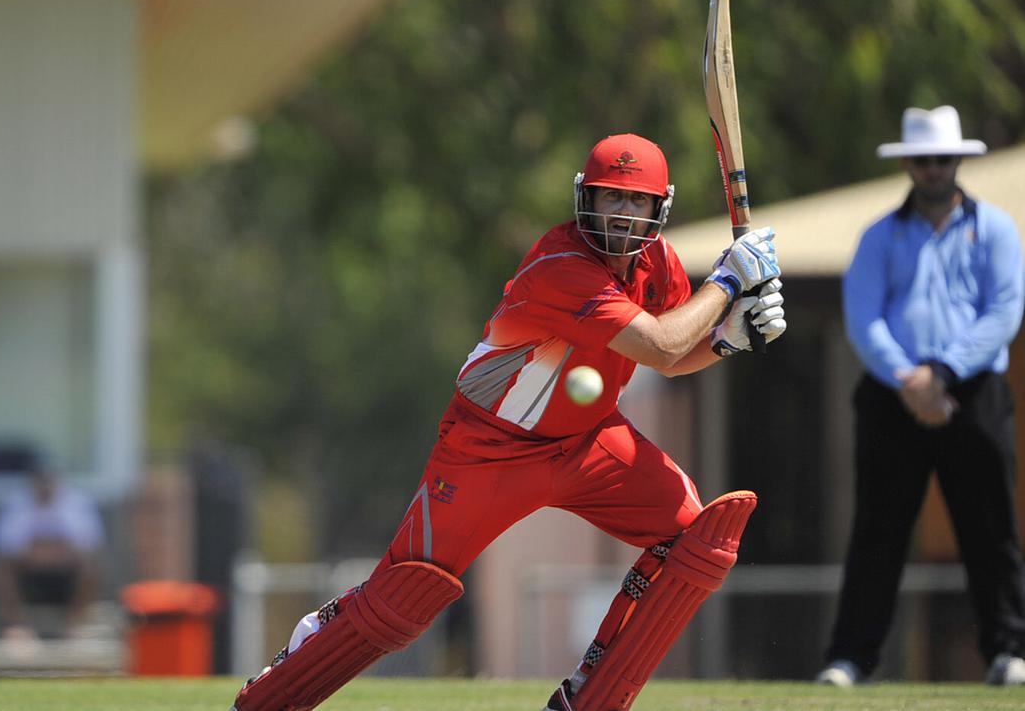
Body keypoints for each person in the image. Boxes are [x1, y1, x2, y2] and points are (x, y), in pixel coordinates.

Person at [231, 133, 786, 711]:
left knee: (695, 541)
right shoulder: (561, 266)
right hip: (488, 448)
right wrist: (727, 284)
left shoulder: (658, 264)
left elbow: (676, 357)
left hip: (586, 441)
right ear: (585, 200)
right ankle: (280, 684)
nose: (623, 214)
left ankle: (587, 698)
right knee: (404, 597)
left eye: (636, 201)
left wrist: (729, 341)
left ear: (659, 207)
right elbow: (665, 346)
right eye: (610, 198)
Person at [817, 105, 1025, 687]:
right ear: (909, 163)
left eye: (942, 158)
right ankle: (851, 658)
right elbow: (864, 319)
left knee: (991, 528)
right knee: (878, 531)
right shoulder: (880, 235)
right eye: (924, 159)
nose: (933, 168)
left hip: (973, 392)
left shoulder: (997, 230)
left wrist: (945, 372)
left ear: (957, 159)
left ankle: (1009, 650)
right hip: (893, 395)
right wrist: (911, 378)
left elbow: (1003, 313)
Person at [0, 465, 104, 645]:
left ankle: (75, 629)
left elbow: (88, 542)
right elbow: (5, 545)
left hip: (66, 572)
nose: (44, 490)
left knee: (91, 567)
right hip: (28, 572)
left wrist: (55, 553)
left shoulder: (77, 502)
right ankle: (18, 629)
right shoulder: (17, 503)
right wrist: (35, 553)